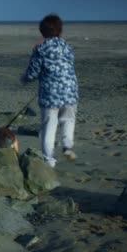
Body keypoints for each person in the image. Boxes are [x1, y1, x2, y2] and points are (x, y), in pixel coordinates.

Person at [22, 14, 79, 167]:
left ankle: (49, 160)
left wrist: (25, 79)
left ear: (42, 31)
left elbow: (32, 73)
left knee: (49, 126)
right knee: (68, 120)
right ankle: (67, 146)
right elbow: (67, 65)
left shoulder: (40, 49)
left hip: (50, 94)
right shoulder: (67, 46)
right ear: (60, 30)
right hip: (70, 90)